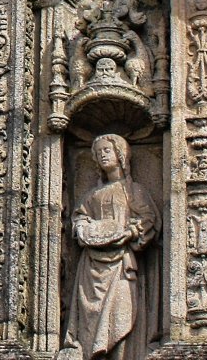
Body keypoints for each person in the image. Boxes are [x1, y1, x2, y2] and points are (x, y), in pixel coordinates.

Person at [69, 134, 159, 360]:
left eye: (107, 150)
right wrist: (84, 229)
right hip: (92, 267)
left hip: (121, 262)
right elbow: (79, 218)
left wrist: (130, 232)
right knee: (92, 320)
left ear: (121, 154)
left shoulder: (133, 191)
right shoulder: (92, 195)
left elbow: (149, 218)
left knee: (121, 313)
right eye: (98, 152)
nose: (102, 155)